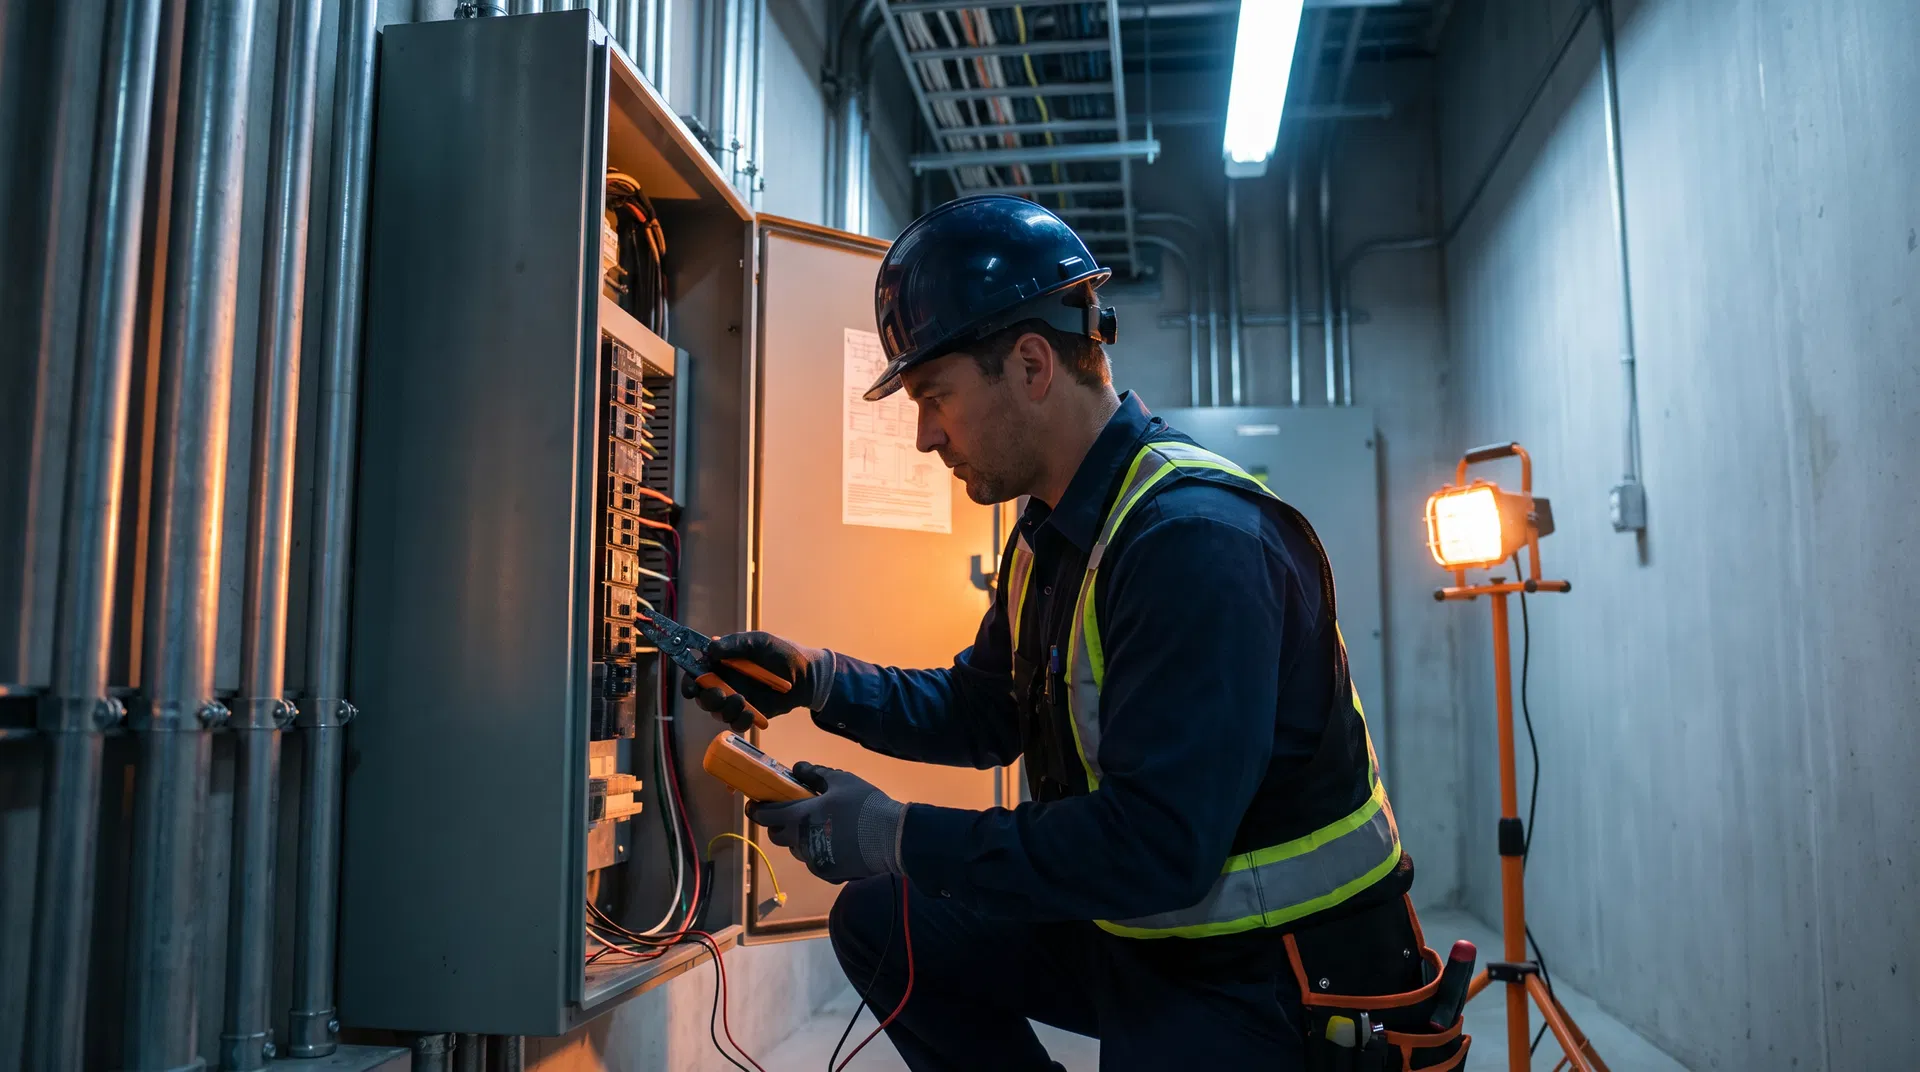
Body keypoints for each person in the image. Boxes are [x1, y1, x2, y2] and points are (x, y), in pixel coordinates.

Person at [683, 194, 1425, 1071]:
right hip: (1155, 931)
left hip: (1277, 976)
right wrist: (821, 680)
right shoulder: (1058, 530)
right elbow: (988, 710)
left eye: (934, 397)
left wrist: (896, 831)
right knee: (886, 922)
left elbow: (1154, 849)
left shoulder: (1189, 541)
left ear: (1032, 364)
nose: (924, 437)